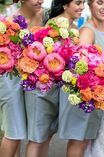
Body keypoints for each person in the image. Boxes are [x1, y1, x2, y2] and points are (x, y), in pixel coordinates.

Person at [58, 0, 104, 156]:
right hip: (85, 93)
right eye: (99, 2)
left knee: (85, 141)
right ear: (90, 5)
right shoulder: (87, 31)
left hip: (98, 94)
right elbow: (79, 66)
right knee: (79, 140)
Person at [0, 0, 46, 157]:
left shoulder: (43, 15)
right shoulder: (10, 21)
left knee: (19, 131)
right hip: (9, 80)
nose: (41, 0)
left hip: (29, 82)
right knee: (14, 132)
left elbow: (67, 16)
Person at [49, 0, 86, 157]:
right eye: (78, 3)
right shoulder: (53, 24)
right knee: (41, 136)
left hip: (62, 86)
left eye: (83, 3)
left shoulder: (75, 27)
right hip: (49, 86)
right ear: (64, 5)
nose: (82, 7)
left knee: (47, 134)